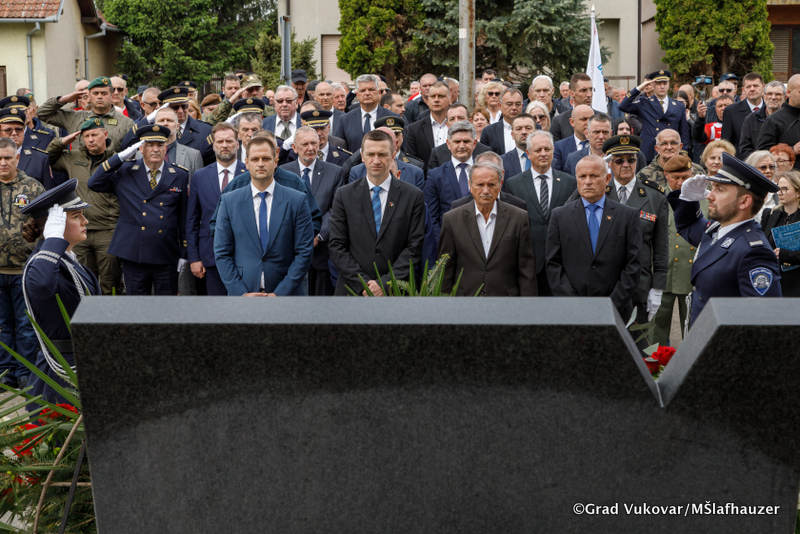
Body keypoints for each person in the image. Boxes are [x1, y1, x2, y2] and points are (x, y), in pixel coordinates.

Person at [668, 153, 782, 325]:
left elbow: (764, 321)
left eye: (719, 190)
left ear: (744, 201)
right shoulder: (718, 230)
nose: (709, 195)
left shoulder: (755, 252)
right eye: (713, 187)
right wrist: (688, 200)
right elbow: (688, 227)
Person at [20, 178, 100, 405]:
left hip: (82, 365)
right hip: (59, 377)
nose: (85, 221)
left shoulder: (71, 263)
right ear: (54, 225)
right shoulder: (40, 264)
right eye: (76, 216)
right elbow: (42, 285)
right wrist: (53, 240)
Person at [88, 125, 189, 295]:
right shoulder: (126, 170)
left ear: (166, 148)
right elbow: (94, 183)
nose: (155, 149)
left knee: (166, 306)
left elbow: (183, 216)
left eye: (160, 145)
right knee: (136, 305)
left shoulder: (179, 174)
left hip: (165, 252)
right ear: (141, 149)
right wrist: (119, 157)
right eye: (150, 145)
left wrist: (184, 252)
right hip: (134, 253)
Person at [328, 130, 426, 296]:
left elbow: (414, 247)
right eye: (370, 154)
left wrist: (385, 284)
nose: (376, 160)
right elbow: (337, 246)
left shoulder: (413, 196)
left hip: (396, 292)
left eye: (382, 154)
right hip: (353, 291)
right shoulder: (344, 195)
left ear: (393, 155)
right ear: (362, 156)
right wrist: (365, 284)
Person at [213, 135, 314, 296]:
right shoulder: (229, 201)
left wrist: (279, 294)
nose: (260, 164)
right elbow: (221, 252)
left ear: (275, 161)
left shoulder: (297, 200)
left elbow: (304, 252)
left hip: (287, 296)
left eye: (266, 158)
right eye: (255, 159)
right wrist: (241, 293)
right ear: (247, 163)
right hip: (244, 295)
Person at [545, 155, 642, 318]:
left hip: (616, 311)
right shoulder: (560, 216)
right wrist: (573, 304)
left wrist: (612, 305)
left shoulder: (627, 216)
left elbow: (633, 265)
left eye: (594, 176)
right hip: (572, 312)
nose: (587, 181)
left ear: (607, 179)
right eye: (582, 176)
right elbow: (553, 264)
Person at [438, 157, 537, 296]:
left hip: (506, 301)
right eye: (480, 184)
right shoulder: (452, 219)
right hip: (466, 301)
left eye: (491, 184)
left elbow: (526, 269)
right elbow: (446, 269)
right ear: (470, 185)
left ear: (500, 185)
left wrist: (529, 306)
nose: (485, 190)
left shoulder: (518, 218)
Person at [47, 119, 121, 295]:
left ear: (105, 134)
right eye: (86, 136)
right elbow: (47, 158)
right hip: (79, 230)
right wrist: (62, 141)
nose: (90, 139)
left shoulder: (117, 160)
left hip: (108, 230)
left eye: (94, 134)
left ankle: (112, 314)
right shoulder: (73, 158)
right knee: (82, 283)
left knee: (111, 283)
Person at [603, 135, 669, 328]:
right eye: (619, 160)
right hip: (606, 285)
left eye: (631, 160)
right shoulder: (598, 193)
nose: (626, 165)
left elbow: (661, 247)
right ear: (609, 163)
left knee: (638, 343)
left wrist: (657, 288)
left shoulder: (654, 196)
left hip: (640, 287)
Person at [505, 130, 576, 295]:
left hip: (561, 263)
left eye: (547, 149)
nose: (543, 154)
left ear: (553, 151)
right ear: (528, 154)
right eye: (538, 150)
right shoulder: (514, 184)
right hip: (529, 264)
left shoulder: (569, 182)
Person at [0, 137, 45, 389]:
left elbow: (46, 226)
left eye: (8, 158)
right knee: (2, 325)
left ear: (17, 158)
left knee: (26, 324)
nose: (3, 162)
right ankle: (5, 372)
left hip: (24, 269)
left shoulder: (33, 188)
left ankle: (25, 372)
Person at [280, 126, 344, 295]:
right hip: (290, 254)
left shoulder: (335, 172)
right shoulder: (282, 173)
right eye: (305, 144)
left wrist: (318, 235)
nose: (311, 148)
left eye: (314, 143)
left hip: (322, 255)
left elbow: (336, 209)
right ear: (294, 148)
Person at [186, 122, 248, 296]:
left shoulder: (249, 174)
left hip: (244, 255)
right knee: (216, 307)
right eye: (220, 141)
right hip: (210, 256)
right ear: (213, 146)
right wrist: (194, 258)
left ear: (237, 144)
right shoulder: (200, 176)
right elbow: (192, 220)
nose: (224, 145)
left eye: (229, 141)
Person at [652, 155, 706, 346]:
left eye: (685, 177)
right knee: (656, 330)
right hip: (662, 274)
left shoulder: (703, 199)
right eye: (676, 178)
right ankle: (654, 363)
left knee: (693, 329)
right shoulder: (655, 199)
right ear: (666, 175)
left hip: (691, 275)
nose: (681, 182)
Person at [38, 76, 135, 152]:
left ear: (111, 95)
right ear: (89, 96)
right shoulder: (75, 117)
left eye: (104, 93)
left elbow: (130, 155)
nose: (99, 97)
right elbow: (42, 113)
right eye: (95, 93)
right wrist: (64, 99)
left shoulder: (126, 123)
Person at [619, 70, 690, 162]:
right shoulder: (645, 103)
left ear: (669, 85)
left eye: (665, 83)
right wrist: (639, 88)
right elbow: (623, 106)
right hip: (649, 152)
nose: (662, 86)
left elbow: (684, 133)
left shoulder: (678, 106)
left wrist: (683, 153)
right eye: (658, 84)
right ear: (653, 85)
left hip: (671, 151)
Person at [424, 121, 480, 228]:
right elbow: (431, 217)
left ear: (474, 143)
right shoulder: (435, 176)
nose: (461, 146)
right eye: (457, 141)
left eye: (466, 141)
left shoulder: (485, 173)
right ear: (448, 144)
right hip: (448, 235)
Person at [334, 75, 397, 153]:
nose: (367, 93)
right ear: (357, 94)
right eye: (362, 90)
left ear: (379, 92)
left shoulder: (392, 117)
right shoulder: (345, 120)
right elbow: (340, 151)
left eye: (371, 89)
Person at [761, 171, 800, 296]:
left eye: (784, 189)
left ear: (798, 192)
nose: (779, 193)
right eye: (778, 188)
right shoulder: (769, 214)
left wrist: (784, 254)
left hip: (795, 285)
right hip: (771, 280)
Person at [404, 81, 450, 173]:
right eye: (432, 96)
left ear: (450, 99)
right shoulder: (414, 129)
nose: (436, 100)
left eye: (441, 96)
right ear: (428, 100)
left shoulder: (457, 126)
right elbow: (411, 161)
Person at [0, 108, 53, 189]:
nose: (14, 133)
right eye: (8, 130)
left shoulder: (40, 158)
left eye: (18, 129)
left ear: (23, 131)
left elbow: (49, 192)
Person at [756, 74, 800, 169]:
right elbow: (761, 152)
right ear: (789, 92)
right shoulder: (774, 120)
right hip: (787, 176)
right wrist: (792, 150)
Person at [428, 104, 491, 170]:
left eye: (461, 118)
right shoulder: (437, 154)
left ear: (470, 121)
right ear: (447, 124)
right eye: (452, 119)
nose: (456, 122)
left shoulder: (485, 152)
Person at [637, 129, 705, 189]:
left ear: (680, 146)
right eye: (664, 144)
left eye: (673, 143)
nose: (669, 147)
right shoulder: (644, 175)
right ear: (657, 149)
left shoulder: (697, 171)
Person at [720, 72, 764, 158]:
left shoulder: (771, 110)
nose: (752, 89)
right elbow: (726, 143)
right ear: (743, 90)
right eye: (748, 87)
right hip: (741, 162)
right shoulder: (731, 111)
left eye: (755, 86)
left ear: (763, 87)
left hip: (768, 162)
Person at [740, 81, 785, 160]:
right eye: (769, 94)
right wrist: (758, 162)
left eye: (777, 94)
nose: (773, 97)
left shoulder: (792, 118)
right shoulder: (751, 119)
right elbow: (745, 148)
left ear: (785, 97)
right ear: (764, 96)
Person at [563, 112, 613, 177]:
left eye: (605, 132)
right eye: (596, 132)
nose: (601, 136)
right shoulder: (573, 159)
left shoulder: (619, 158)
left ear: (611, 134)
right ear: (587, 134)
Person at [480, 88, 524, 155]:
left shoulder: (534, 128)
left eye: (518, 104)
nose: (514, 108)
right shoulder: (489, 132)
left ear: (522, 106)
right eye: (509, 104)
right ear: (500, 106)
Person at [550, 73, 593, 142]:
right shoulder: (559, 121)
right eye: (583, 90)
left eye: (590, 89)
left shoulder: (602, 118)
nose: (589, 94)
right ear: (572, 93)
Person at [552, 104, 593, 173]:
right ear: (572, 122)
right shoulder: (560, 147)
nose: (588, 123)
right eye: (583, 119)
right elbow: (558, 174)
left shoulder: (601, 144)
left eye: (591, 119)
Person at [501, 113, 538, 178]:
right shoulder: (502, 162)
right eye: (518, 129)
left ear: (535, 133)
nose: (524, 132)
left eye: (528, 128)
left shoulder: (550, 160)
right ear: (512, 135)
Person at [744, 150, 778, 217]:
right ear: (752, 169)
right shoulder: (744, 192)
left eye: (771, 167)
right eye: (763, 167)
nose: (768, 171)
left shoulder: (780, 191)